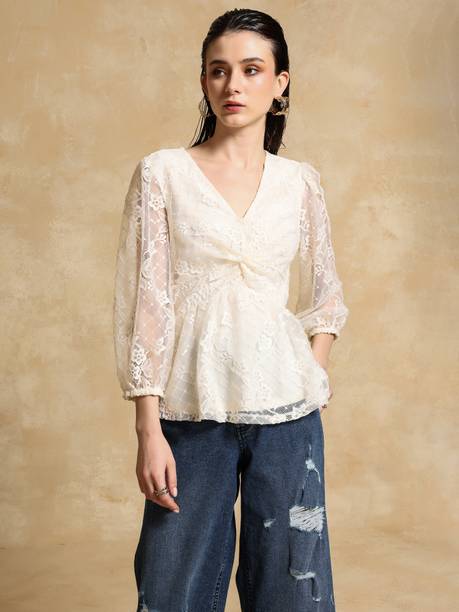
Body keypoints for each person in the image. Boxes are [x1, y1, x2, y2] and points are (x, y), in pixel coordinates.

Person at [112, 8, 349, 612]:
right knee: (172, 588)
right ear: (204, 81)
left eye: (251, 69)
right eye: (218, 71)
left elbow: (325, 295)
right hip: (191, 412)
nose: (233, 85)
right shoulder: (163, 173)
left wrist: (315, 371)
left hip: (288, 413)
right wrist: (148, 428)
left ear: (280, 83)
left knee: (293, 588)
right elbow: (147, 306)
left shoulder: (300, 182)